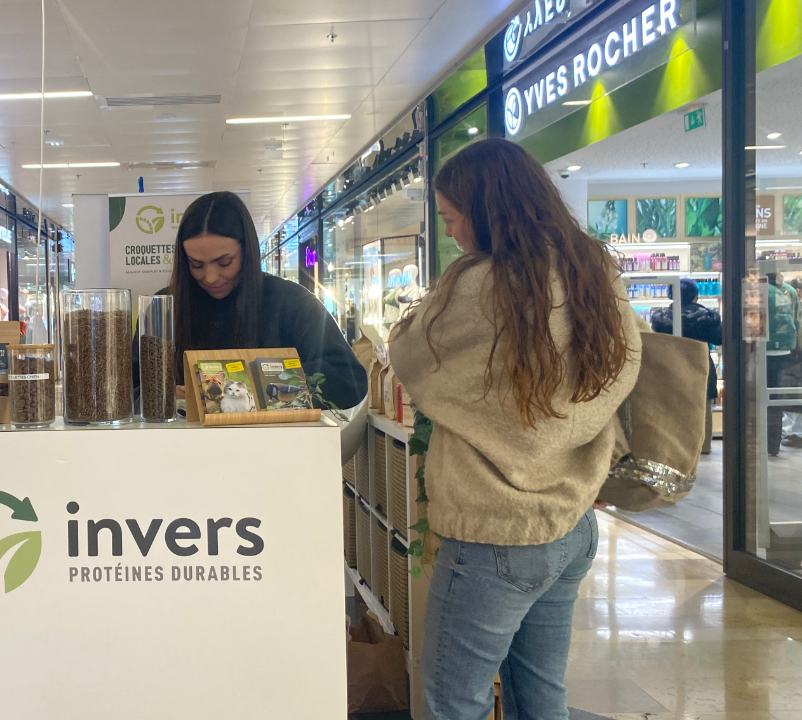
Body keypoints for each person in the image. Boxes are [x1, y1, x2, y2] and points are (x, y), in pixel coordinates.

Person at [387, 138, 641, 720]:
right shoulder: (591, 271)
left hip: (493, 530)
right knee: (541, 693)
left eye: (453, 219)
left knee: (455, 699)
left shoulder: (476, 287)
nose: (452, 234)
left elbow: (409, 357)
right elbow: (625, 367)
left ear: (485, 211)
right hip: (571, 520)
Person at [167, 191, 366, 409]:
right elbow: (132, 386)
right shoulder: (165, 307)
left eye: (225, 262)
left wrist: (259, 388)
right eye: (196, 265)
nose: (211, 277)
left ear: (248, 251)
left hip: (276, 442)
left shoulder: (292, 302)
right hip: (181, 442)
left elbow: (348, 380)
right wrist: (165, 394)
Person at [650, 278, 722, 453]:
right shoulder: (708, 317)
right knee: (703, 406)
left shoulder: (661, 318)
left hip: (671, 362)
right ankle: (703, 446)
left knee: (672, 404)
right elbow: (719, 339)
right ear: (696, 296)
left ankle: (676, 446)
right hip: (700, 362)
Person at [765, 273, 802, 456]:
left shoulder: (758, 292)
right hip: (785, 349)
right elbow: (797, 320)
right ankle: (773, 445)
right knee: (775, 397)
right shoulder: (789, 291)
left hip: (764, 350)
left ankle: (760, 441)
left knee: (758, 398)